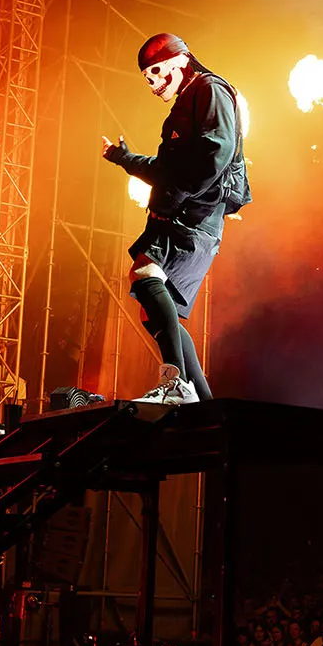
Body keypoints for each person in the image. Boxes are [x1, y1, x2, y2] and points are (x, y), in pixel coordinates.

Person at [101, 33, 249, 405]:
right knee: (154, 312)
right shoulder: (187, 102)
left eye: (155, 71)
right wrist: (124, 159)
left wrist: (177, 199)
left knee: (145, 274)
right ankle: (202, 402)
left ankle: (176, 383)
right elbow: (168, 169)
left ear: (180, 61)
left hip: (192, 216)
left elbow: (218, 152)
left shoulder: (209, 90)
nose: (151, 83)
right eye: (146, 77)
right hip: (186, 214)